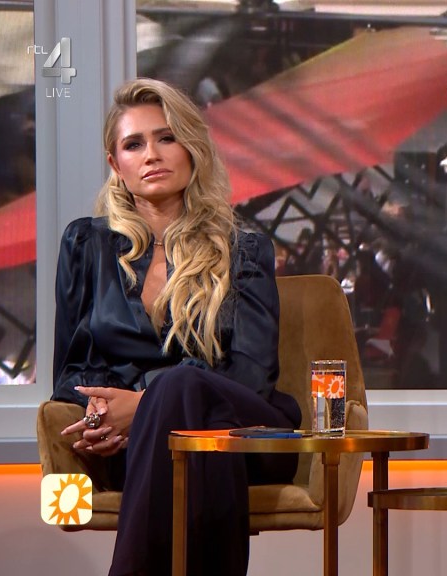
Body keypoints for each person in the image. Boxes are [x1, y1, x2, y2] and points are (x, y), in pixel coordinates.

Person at [53, 78, 301, 576]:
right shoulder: (86, 246)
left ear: (191, 148)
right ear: (115, 164)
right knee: (177, 407)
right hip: (134, 446)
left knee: (181, 385)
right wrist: (103, 413)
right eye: (133, 144)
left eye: (166, 138)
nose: (151, 154)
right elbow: (71, 371)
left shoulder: (243, 248)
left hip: (245, 433)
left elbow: (252, 375)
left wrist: (144, 405)